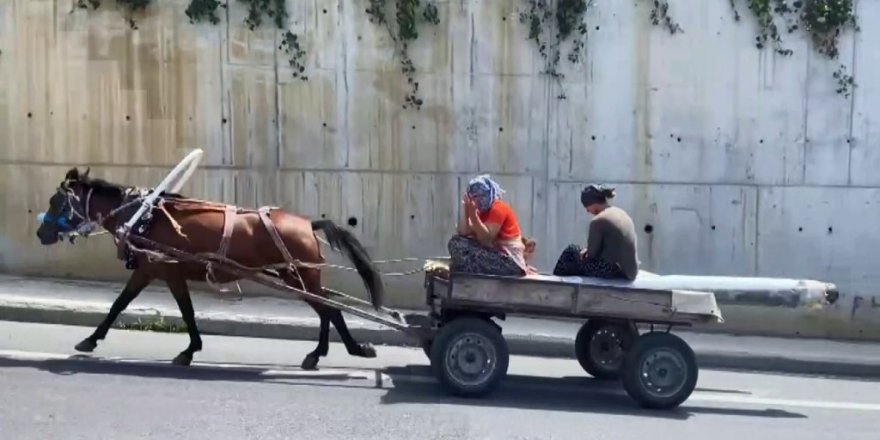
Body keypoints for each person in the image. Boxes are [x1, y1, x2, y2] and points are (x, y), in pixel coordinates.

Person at [448, 175, 533, 276]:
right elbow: (463, 232)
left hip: (510, 261)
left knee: (464, 253)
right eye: (473, 197)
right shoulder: (479, 211)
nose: (477, 200)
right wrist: (467, 212)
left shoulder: (499, 208)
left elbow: (486, 240)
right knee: (456, 242)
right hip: (495, 256)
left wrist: (474, 217)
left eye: (480, 196)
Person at [552, 184, 639, 281]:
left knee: (571, 251)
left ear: (592, 203)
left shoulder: (598, 221)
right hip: (630, 272)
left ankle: (555, 282)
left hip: (611, 271)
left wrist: (585, 253)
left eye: (587, 207)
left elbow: (591, 255)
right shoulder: (621, 213)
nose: (587, 211)